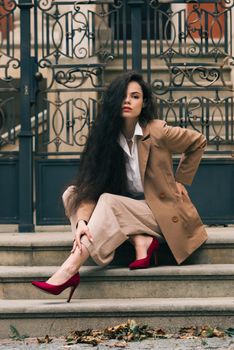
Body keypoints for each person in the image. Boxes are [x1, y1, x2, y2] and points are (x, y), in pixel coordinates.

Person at [32, 71, 208, 302]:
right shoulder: (105, 137)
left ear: (144, 103)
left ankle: (69, 269)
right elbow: (90, 186)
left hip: (161, 213)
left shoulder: (158, 131)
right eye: (123, 96)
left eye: (135, 96)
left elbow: (198, 141)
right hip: (127, 210)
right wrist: (83, 222)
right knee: (72, 193)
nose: (128, 101)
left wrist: (181, 179)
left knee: (108, 201)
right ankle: (131, 239)